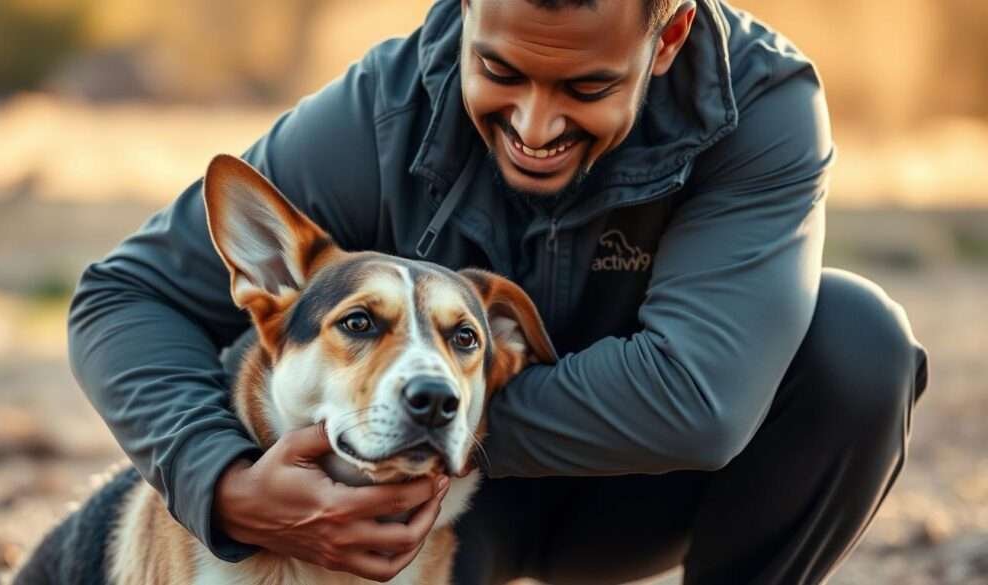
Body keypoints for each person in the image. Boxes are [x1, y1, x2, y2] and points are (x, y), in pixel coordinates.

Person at [68, 0, 929, 583]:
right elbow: (123, 295)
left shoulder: (761, 104)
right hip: (389, 506)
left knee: (857, 346)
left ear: (665, 40)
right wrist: (222, 480)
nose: (534, 126)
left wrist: (420, 411)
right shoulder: (382, 107)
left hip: (634, 488)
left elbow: (700, 400)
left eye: (587, 88)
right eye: (502, 72)